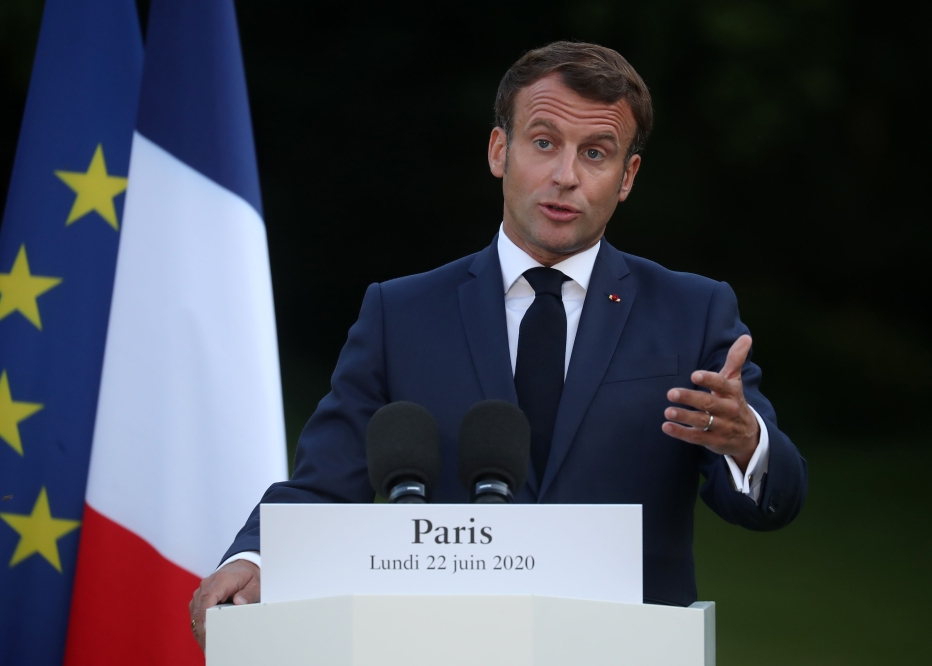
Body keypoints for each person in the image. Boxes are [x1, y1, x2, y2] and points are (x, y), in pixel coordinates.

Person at [189, 41, 808, 649]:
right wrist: (257, 556)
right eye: (544, 143)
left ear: (627, 178)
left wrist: (747, 441)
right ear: (499, 150)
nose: (566, 176)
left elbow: (771, 503)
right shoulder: (401, 313)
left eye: (596, 153)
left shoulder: (692, 310)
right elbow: (326, 483)